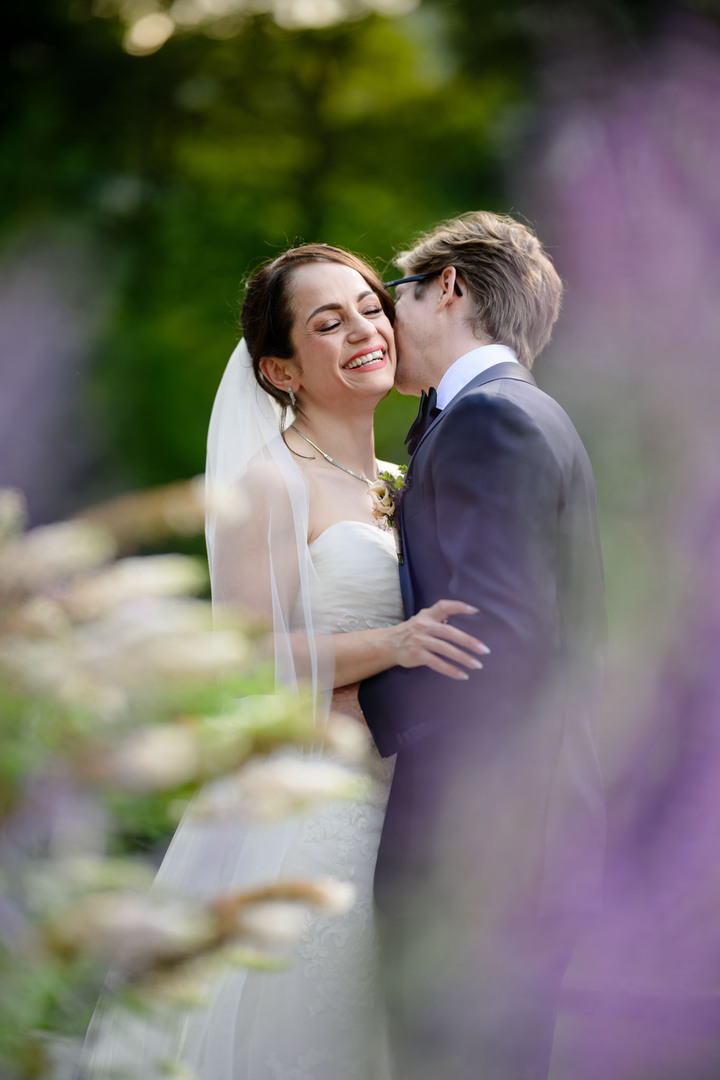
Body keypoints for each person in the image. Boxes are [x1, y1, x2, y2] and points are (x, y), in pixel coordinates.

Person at [80, 243, 485, 1079]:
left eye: (371, 308)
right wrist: (396, 642)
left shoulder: (397, 478)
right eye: (327, 323)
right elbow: (247, 662)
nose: (364, 331)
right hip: (312, 818)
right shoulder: (269, 485)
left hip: (403, 807)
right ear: (281, 370)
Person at [359, 211, 607, 1080]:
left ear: (449, 287)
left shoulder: (490, 422)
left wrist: (360, 705)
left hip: (479, 844)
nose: (382, 319)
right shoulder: (514, 413)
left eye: (393, 295)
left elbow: (497, 644)